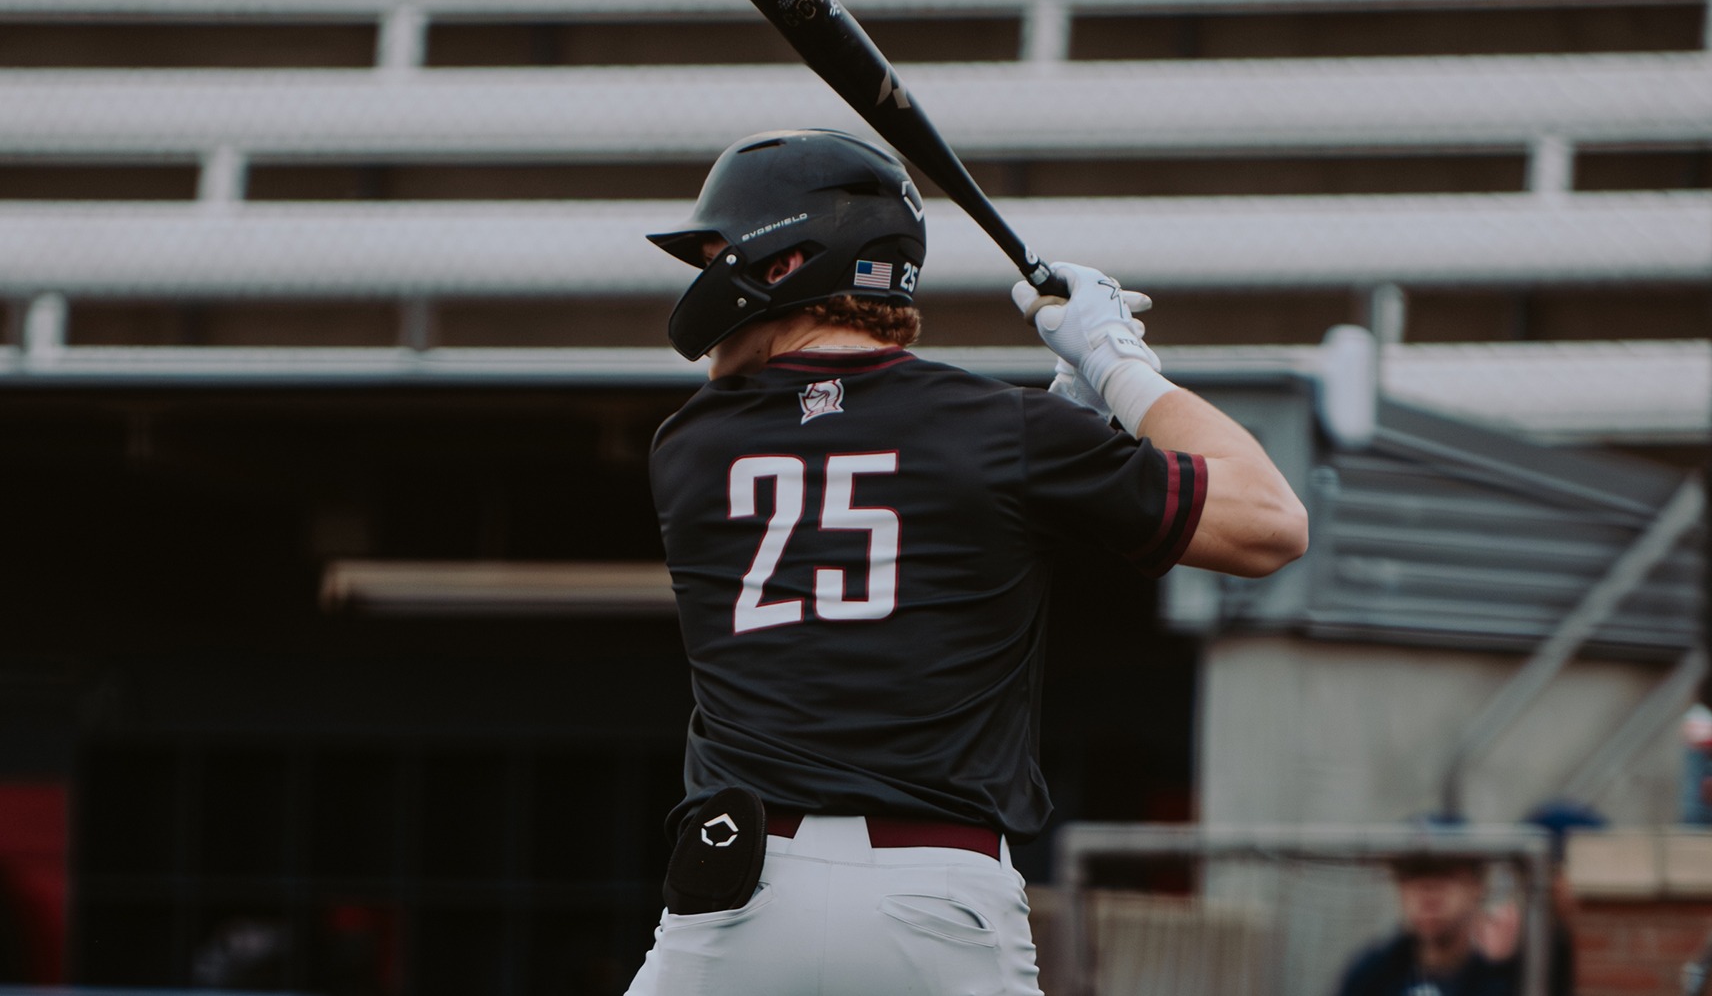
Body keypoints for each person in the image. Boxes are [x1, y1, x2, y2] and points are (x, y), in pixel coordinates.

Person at [626, 128, 1308, 996]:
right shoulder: (1008, 431)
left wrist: (1053, 438)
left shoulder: (688, 444)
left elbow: (864, 450)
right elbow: (1273, 521)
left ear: (784, 263)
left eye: (719, 252)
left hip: (737, 905)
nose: (703, 279)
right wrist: (1117, 368)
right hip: (938, 902)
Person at [1336, 854, 1524, 996]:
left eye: (1445, 874)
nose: (1427, 895)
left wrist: (1499, 972)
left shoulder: (1513, 976)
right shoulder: (1371, 974)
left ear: (1477, 885)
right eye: (1413, 876)